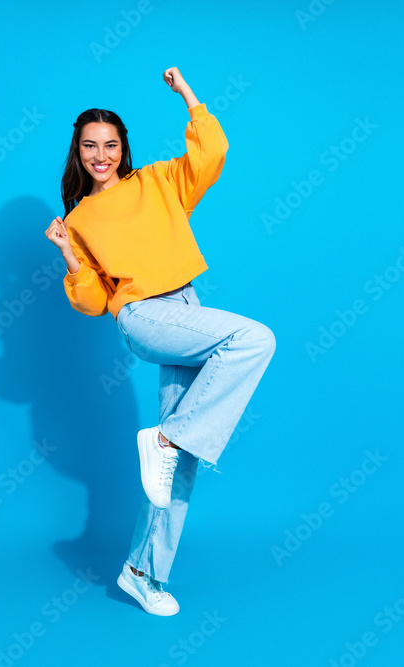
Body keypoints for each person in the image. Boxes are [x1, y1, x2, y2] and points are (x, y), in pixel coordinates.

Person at [44, 67, 276, 616]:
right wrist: (68, 253)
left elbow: (210, 155)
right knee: (254, 338)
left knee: (179, 462)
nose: (100, 154)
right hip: (144, 317)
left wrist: (188, 96)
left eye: (110, 145)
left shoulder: (158, 182)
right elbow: (92, 301)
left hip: (186, 308)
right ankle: (167, 441)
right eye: (89, 147)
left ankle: (142, 572)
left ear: (123, 149)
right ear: (77, 154)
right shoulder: (78, 219)